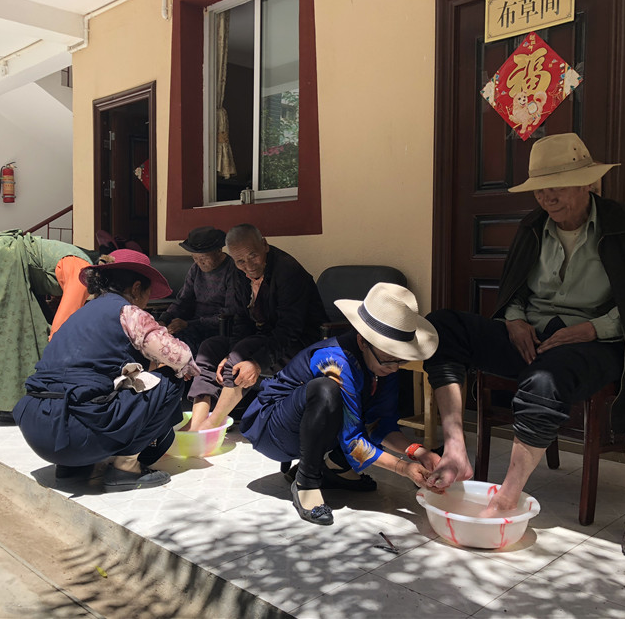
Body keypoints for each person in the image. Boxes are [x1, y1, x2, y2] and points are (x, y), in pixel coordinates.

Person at [422, 132, 625, 515]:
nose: (547, 198)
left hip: (597, 343)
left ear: (588, 183)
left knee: (544, 380)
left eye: (557, 186)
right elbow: (516, 289)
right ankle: (455, 451)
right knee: (441, 327)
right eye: (540, 189)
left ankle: (506, 499)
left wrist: (593, 329)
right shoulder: (533, 227)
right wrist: (514, 319)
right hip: (533, 336)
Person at [240, 283, 440, 525]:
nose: (395, 367)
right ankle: (306, 482)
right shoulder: (334, 361)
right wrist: (403, 468)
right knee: (326, 390)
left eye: (401, 360)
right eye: (389, 358)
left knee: (359, 407)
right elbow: (353, 440)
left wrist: (417, 452)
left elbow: (381, 425)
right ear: (363, 341)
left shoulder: (385, 364)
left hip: (314, 428)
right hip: (273, 429)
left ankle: (334, 468)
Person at [13, 249, 199, 491]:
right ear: (136, 288)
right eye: (147, 293)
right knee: (169, 382)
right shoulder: (129, 312)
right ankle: (126, 468)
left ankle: (72, 469)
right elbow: (181, 357)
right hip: (76, 433)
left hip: (38, 428)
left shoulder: (80, 314)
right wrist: (188, 368)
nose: (146, 301)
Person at [186, 223, 327, 431]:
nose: (248, 265)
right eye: (240, 261)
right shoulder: (239, 272)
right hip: (262, 337)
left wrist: (257, 363)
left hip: (298, 342)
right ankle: (196, 423)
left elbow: (288, 330)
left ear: (265, 245)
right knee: (210, 348)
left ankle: (213, 424)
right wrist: (230, 351)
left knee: (240, 355)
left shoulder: (288, 272)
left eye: (253, 256)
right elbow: (241, 319)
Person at [0, 230, 95, 424]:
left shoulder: (74, 259)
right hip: (1, 256)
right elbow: (62, 327)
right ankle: (11, 405)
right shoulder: (83, 271)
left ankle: (5, 397)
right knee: (15, 333)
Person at [157, 226, 240, 355]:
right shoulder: (196, 269)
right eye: (195, 258)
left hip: (219, 329)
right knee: (162, 343)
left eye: (204, 258)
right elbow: (183, 301)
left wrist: (188, 324)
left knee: (184, 351)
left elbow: (229, 313)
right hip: (193, 324)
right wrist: (165, 319)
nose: (200, 262)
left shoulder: (233, 270)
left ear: (219, 251)